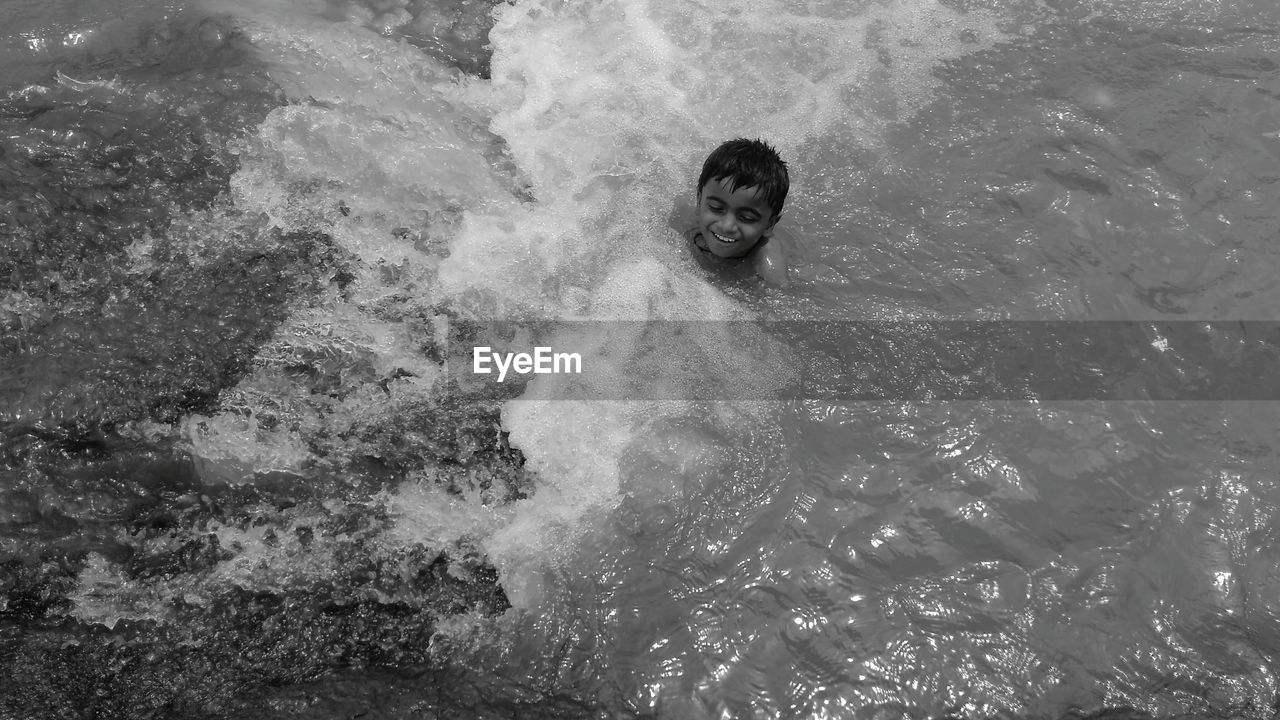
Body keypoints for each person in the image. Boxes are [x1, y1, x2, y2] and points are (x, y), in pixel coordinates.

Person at [686, 138, 791, 287]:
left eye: (746, 218)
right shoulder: (686, 222)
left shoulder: (768, 267)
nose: (727, 226)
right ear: (699, 200)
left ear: (769, 225)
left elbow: (780, 297)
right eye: (716, 208)